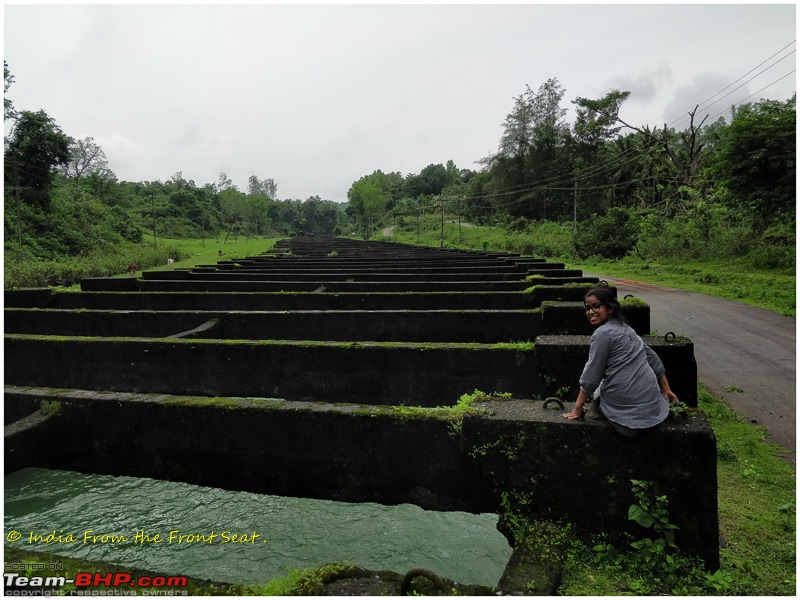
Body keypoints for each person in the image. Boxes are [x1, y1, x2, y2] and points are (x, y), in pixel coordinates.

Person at [562, 287, 678, 436]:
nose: (590, 312)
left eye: (596, 306)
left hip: (625, 404)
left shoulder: (602, 334)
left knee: (597, 393)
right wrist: (665, 390)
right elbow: (653, 359)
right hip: (651, 406)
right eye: (587, 308)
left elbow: (591, 375)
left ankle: (624, 420)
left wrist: (578, 408)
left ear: (610, 308)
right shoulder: (628, 330)